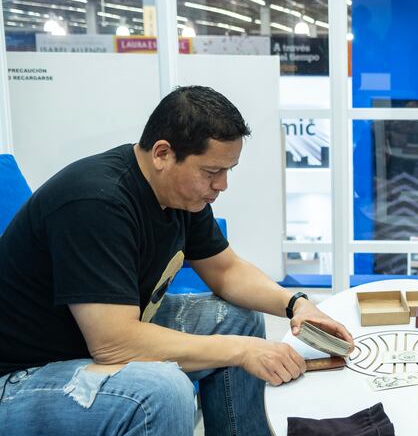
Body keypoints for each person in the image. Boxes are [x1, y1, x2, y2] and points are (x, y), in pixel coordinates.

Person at [0, 86, 354, 436]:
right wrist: (242, 351)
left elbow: (227, 271)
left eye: (228, 171)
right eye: (211, 171)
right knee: (163, 391)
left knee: (238, 320)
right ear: (163, 154)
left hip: (92, 334)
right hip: (25, 375)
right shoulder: (95, 203)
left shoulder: (180, 196)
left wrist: (297, 304)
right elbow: (113, 343)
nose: (222, 185)